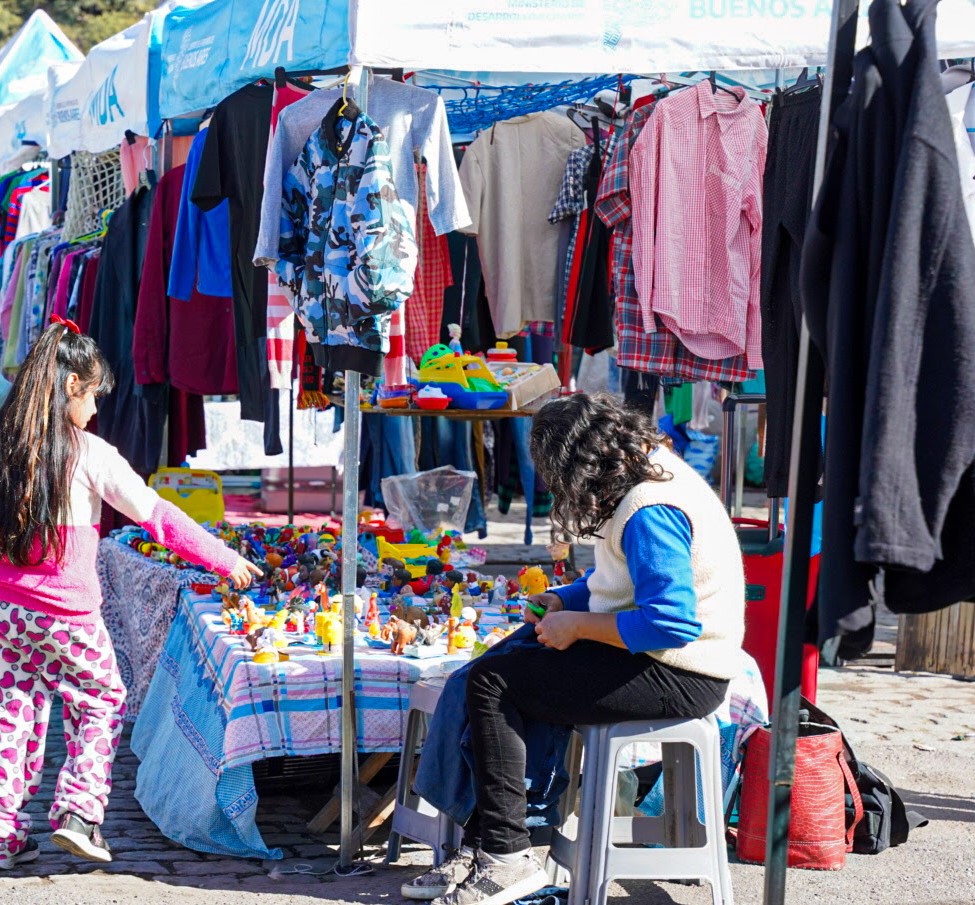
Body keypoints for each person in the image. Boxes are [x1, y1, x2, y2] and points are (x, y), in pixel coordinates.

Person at [404, 392, 745, 905]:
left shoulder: (651, 508)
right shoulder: (644, 473)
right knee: (493, 667)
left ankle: (507, 856)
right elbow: (621, 576)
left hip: (683, 674)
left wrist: (580, 627)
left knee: (497, 682)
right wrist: (564, 599)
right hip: (657, 659)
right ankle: (486, 846)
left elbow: (671, 624)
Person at [0, 320, 260, 870]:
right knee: (101, 700)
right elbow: (158, 517)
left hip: (8, 613)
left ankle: (5, 832)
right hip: (67, 612)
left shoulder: (8, 449)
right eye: (93, 395)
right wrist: (224, 558)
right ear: (72, 386)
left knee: (15, 713)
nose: (95, 409)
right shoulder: (89, 452)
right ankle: (79, 811)